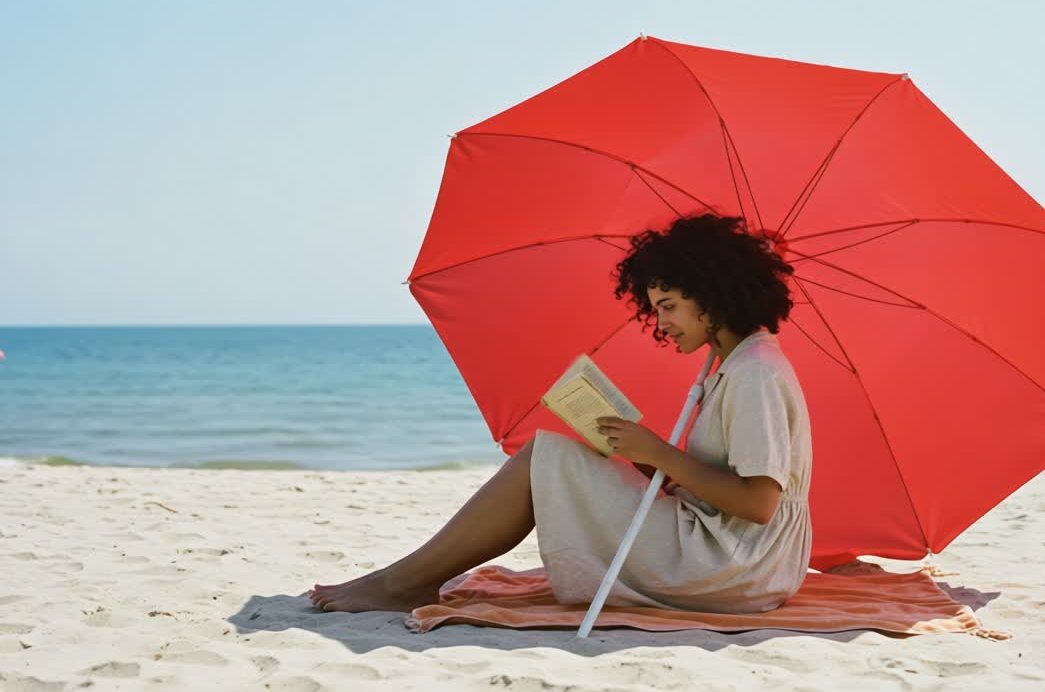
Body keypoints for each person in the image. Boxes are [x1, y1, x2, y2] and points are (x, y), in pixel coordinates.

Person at [309, 212, 813, 614]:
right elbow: (721, 485)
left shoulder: (755, 373)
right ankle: (407, 578)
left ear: (712, 297)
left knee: (544, 455)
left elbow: (759, 503)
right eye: (655, 308)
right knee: (555, 452)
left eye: (668, 306)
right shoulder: (730, 365)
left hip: (736, 566)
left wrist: (661, 453)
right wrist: (644, 460)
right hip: (729, 551)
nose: (660, 323)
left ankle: (404, 582)